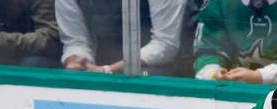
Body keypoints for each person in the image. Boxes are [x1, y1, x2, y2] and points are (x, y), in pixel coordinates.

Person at [193, 0, 277, 84]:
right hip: (232, 93)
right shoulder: (217, 2)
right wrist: (213, 73)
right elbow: (207, 49)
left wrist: (262, 76)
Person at [57, 0, 185, 75]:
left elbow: (165, 43)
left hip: (152, 69)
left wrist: (108, 70)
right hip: (96, 67)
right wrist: (76, 61)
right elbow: (76, 41)